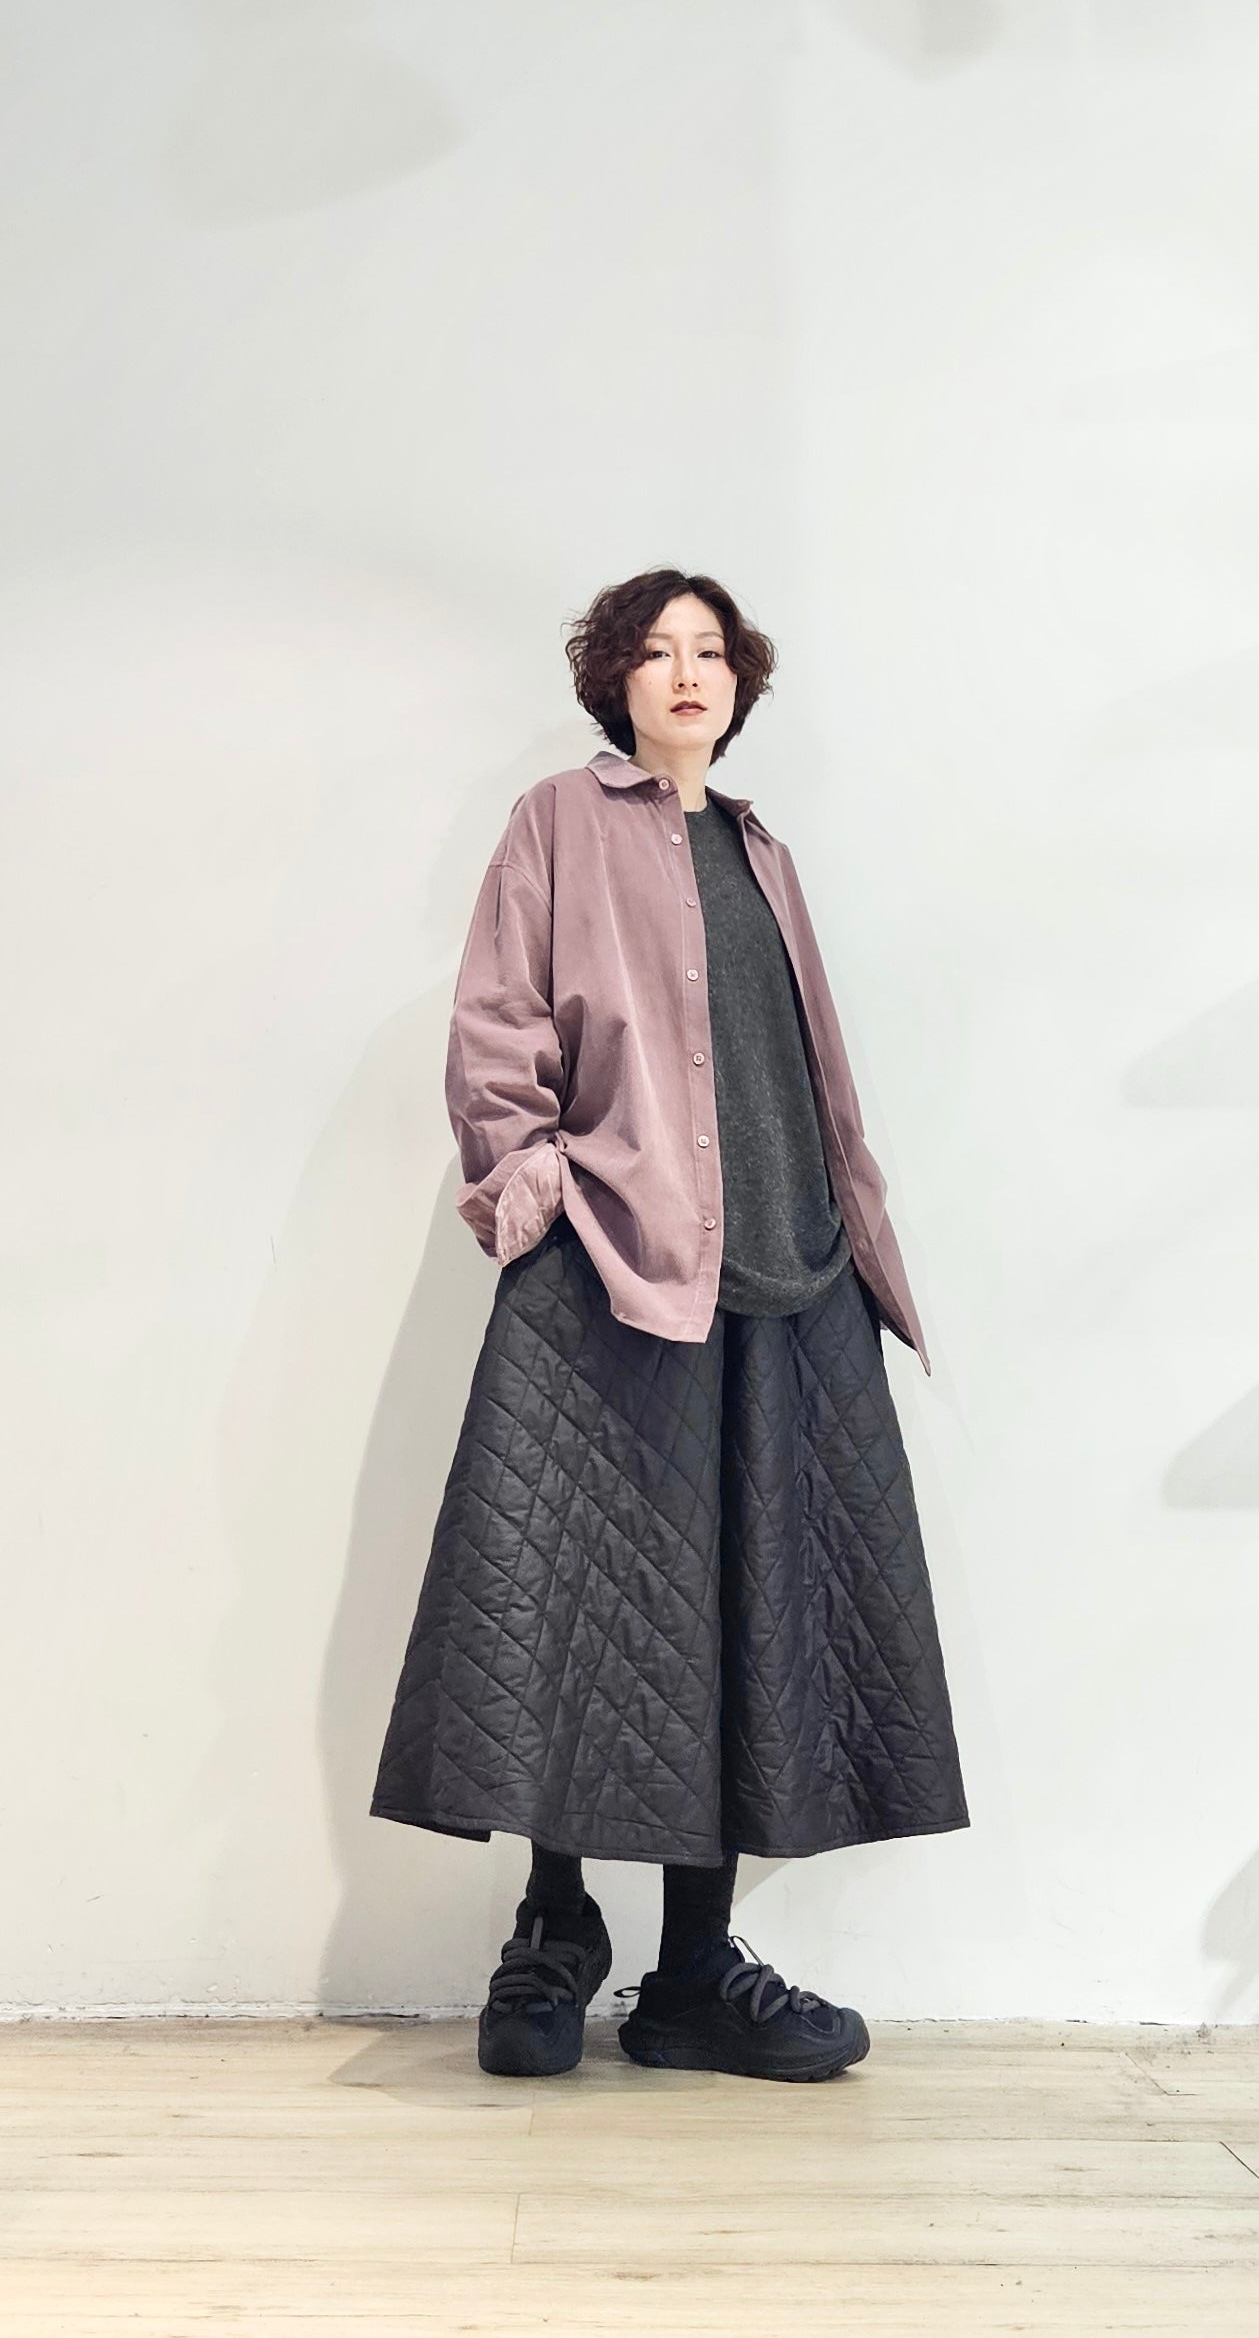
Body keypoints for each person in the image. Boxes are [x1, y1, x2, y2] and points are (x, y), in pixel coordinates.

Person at [370, 566, 969, 2083]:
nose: (688, 672)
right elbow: (497, 1027)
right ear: (615, 684)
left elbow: (799, 1073)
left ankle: (693, 1972)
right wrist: (536, 1198)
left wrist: (851, 1242)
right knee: (578, 1603)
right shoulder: (557, 824)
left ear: (739, 683)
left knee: (739, 1619)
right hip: (615, 1269)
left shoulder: (765, 853)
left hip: (782, 1281)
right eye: (656, 652)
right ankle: (555, 1926)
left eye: (710, 651)